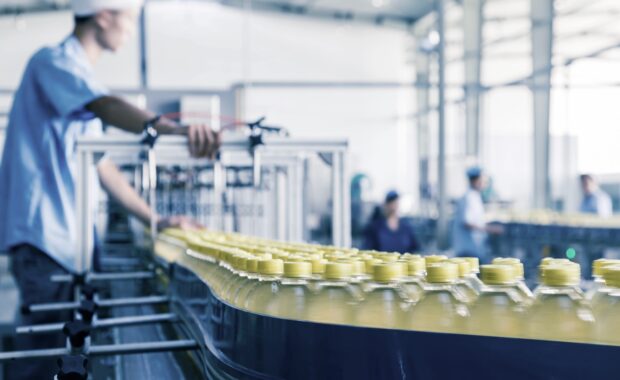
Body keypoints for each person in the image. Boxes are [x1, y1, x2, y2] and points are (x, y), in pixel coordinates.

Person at [0, 1, 220, 378]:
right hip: (45, 241)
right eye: (130, 20)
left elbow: (103, 166)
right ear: (103, 15)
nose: (132, 31)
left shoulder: (78, 80)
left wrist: (158, 219)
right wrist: (171, 129)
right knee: (43, 358)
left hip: (69, 246)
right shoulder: (52, 63)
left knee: (65, 355)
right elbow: (107, 105)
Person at [452, 167, 502, 262]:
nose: (485, 183)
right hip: (467, 250)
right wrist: (491, 229)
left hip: (474, 249)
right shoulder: (468, 198)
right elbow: (467, 222)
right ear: (476, 180)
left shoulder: (475, 196)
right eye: (483, 179)